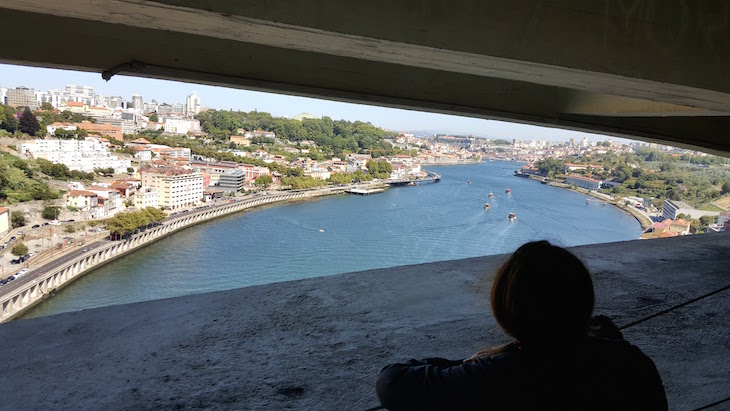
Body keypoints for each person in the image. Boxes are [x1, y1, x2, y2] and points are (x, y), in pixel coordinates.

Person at [375, 241, 667, 410]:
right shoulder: (631, 362)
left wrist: (477, 362)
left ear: (505, 305)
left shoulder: (496, 377)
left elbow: (391, 383)